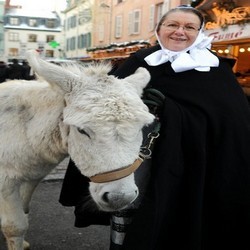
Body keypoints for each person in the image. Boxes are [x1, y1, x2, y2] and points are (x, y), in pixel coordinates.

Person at [59, 5, 250, 250]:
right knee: (131, 214)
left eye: (189, 27)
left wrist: (169, 109)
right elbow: (100, 106)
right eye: (172, 25)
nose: (180, 32)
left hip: (197, 164)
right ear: (159, 29)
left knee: (186, 221)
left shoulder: (215, 69)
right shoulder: (139, 61)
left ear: (199, 32)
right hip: (138, 161)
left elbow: (233, 124)